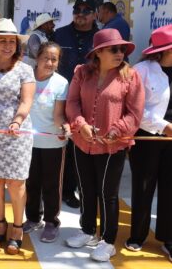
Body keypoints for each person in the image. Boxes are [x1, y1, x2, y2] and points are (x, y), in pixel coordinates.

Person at [65, 28, 144, 262]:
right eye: (114, 49)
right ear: (98, 52)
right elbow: (72, 102)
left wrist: (117, 129)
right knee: (86, 189)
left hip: (112, 146)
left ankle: (108, 241)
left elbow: (135, 114)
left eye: (122, 49)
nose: (120, 53)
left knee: (107, 194)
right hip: (82, 143)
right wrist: (80, 124)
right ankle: (88, 230)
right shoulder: (82, 73)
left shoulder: (130, 76)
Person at [0, 18, 35, 255]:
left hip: (16, 134)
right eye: (3, 40)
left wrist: (17, 120)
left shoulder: (25, 69)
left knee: (16, 183)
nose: (8, 45)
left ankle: (17, 228)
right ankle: (0, 226)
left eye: (12, 41)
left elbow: (26, 100)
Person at [125, 24, 172, 260]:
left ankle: (168, 238)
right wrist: (164, 126)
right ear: (162, 51)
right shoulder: (141, 70)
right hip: (147, 138)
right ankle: (137, 236)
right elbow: (134, 110)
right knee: (143, 187)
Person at [23, 42, 70, 243]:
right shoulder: (25, 76)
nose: (49, 62)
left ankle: (51, 222)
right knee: (31, 183)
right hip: (26, 143)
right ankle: (33, 218)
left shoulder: (61, 83)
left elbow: (59, 115)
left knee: (51, 185)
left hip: (52, 143)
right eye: (46, 58)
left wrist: (63, 129)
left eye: (54, 59)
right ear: (37, 58)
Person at [54, 0, 98, 209]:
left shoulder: (100, 38)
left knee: (89, 143)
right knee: (67, 146)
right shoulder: (60, 34)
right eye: (77, 9)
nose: (80, 13)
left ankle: (87, 189)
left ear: (95, 14)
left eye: (86, 10)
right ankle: (67, 189)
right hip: (63, 97)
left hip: (93, 99)